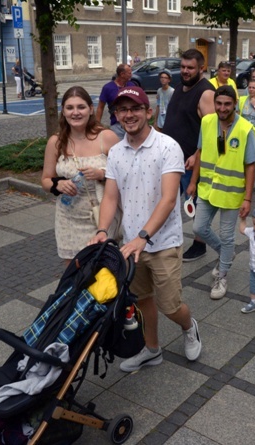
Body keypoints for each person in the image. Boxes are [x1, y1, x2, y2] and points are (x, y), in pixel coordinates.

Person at [90, 86, 202, 371]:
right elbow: (112, 197)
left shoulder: (167, 146)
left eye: (135, 108)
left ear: (148, 112)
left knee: (170, 306)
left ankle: (189, 327)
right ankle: (152, 349)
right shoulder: (116, 151)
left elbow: (167, 199)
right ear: (116, 115)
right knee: (141, 300)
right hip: (131, 244)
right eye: (122, 110)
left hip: (162, 242)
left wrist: (144, 236)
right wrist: (103, 230)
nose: (129, 115)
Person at [187, 86, 255, 299]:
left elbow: (250, 165)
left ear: (235, 104)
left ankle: (222, 274)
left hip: (230, 191)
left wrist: (248, 198)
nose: (222, 108)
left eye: (227, 104)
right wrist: (192, 182)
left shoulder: (245, 129)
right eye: (219, 103)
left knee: (227, 236)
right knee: (199, 226)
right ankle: (226, 255)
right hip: (207, 188)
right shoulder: (207, 121)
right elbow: (199, 152)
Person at [41, 86, 120, 265]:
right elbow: (45, 180)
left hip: (102, 218)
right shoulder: (56, 142)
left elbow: (126, 176)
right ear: (63, 112)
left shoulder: (106, 137)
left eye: (81, 107)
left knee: (104, 274)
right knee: (75, 276)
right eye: (70, 108)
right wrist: (57, 185)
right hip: (69, 219)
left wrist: (102, 174)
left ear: (90, 109)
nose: (75, 112)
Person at [162, 49, 216, 262]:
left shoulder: (206, 93)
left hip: (190, 162)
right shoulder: (179, 88)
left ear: (201, 68)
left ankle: (199, 244)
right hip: (172, 160)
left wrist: (197, 155)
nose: (185, 71)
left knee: (193, 204)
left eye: (190, 67)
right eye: (183, 66)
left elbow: (211, 133)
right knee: (170, 201)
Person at [96, 64, 135, 139]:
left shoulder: (132, 86)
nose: (131, 75)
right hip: (117, 126)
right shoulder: (108, 88)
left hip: (131, 124)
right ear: (122, 74)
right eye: (129, 73)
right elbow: (100, 107)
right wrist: (97, 125)